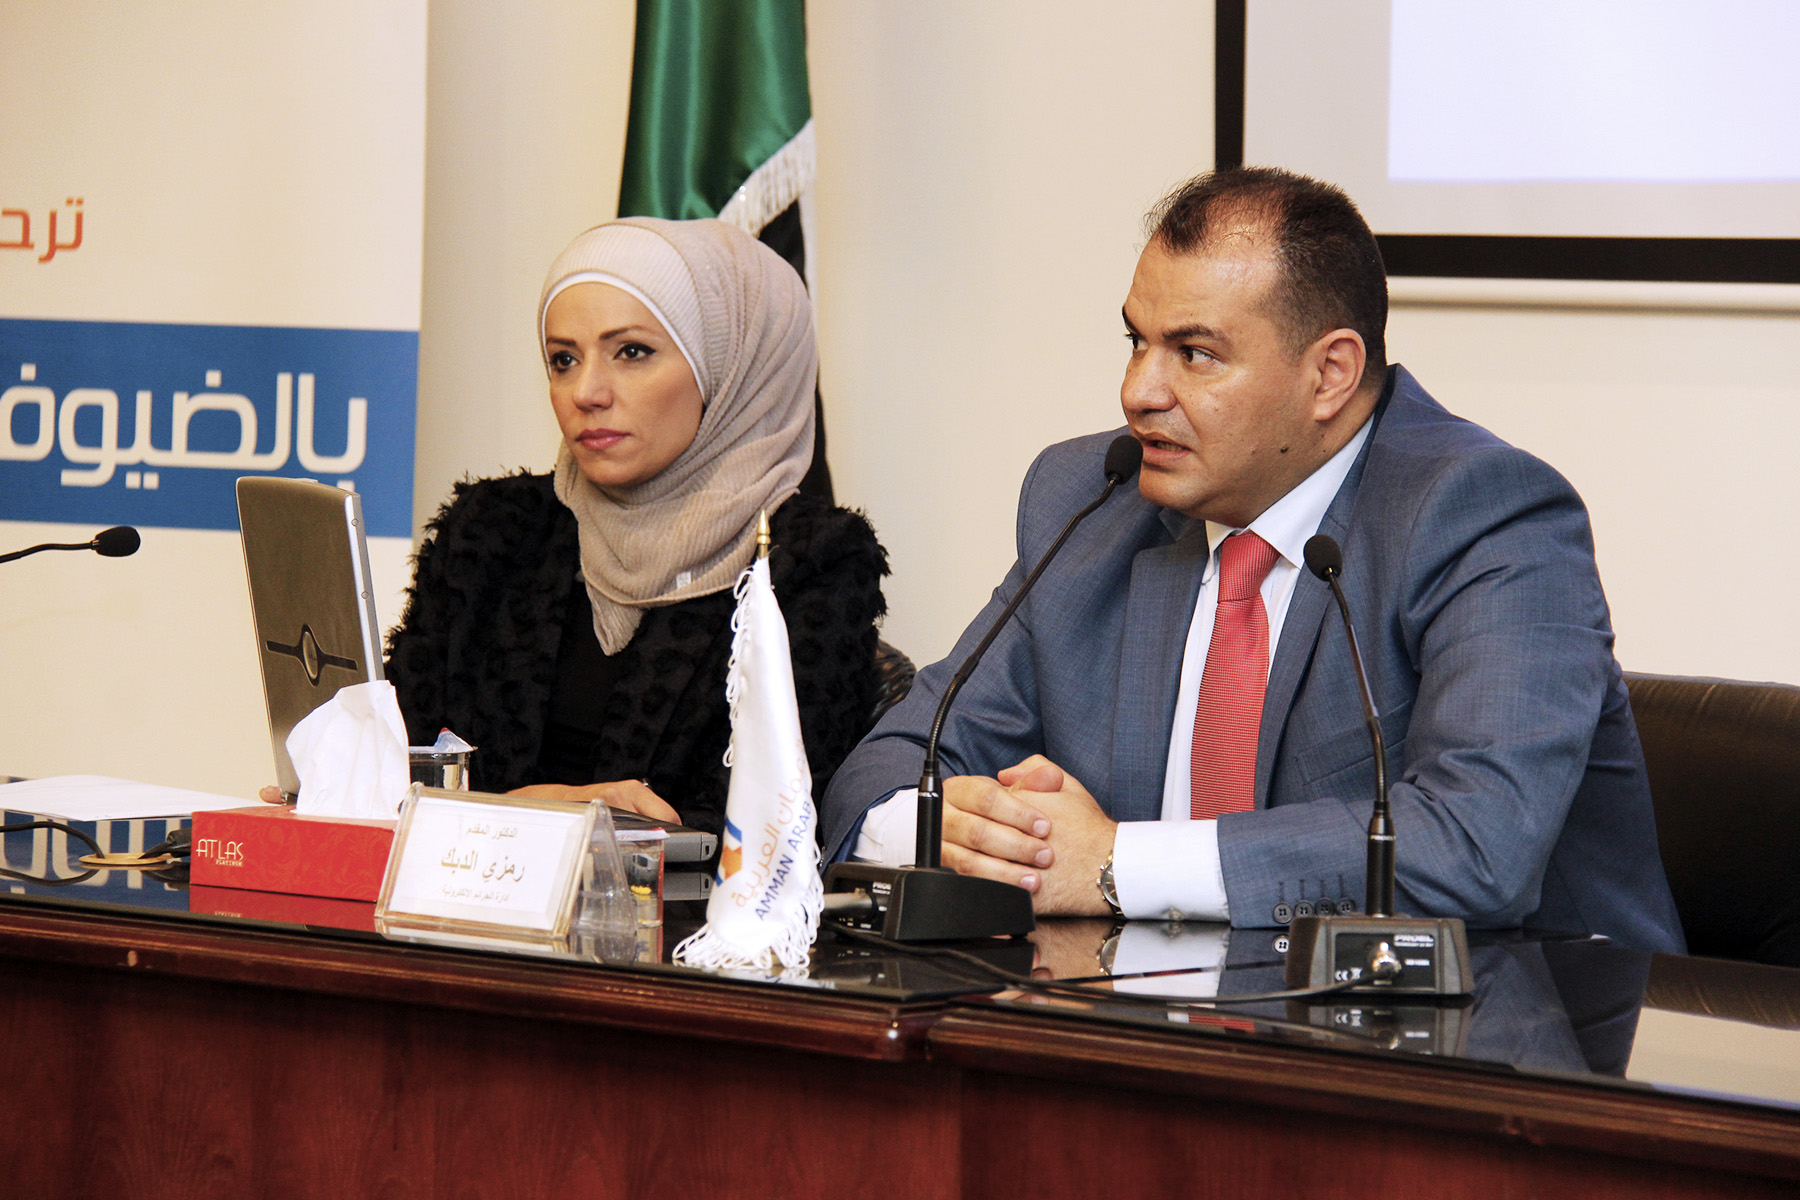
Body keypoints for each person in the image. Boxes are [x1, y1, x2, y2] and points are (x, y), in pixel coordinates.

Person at [820, 167, 1684, 953]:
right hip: (1161, 1024)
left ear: (1330, 375)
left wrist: (1116, 863)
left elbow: (1475, 845)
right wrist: (949, 832)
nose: (1138, 392)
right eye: (1135, 341)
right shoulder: (1095, 499)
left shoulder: (1485, 515)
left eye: (1194, 354)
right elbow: (886, 767)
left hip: (1518, 1033)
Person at [385, 217, 888, 837]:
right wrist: (536, 809)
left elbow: (765, 833)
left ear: (726, 366)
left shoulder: (807, 561)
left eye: (631, 352)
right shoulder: (494, 530)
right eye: (563, 360)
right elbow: (396, 765)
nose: (586, 391)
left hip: (667, 904)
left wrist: (518, 814)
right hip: (452, 893)